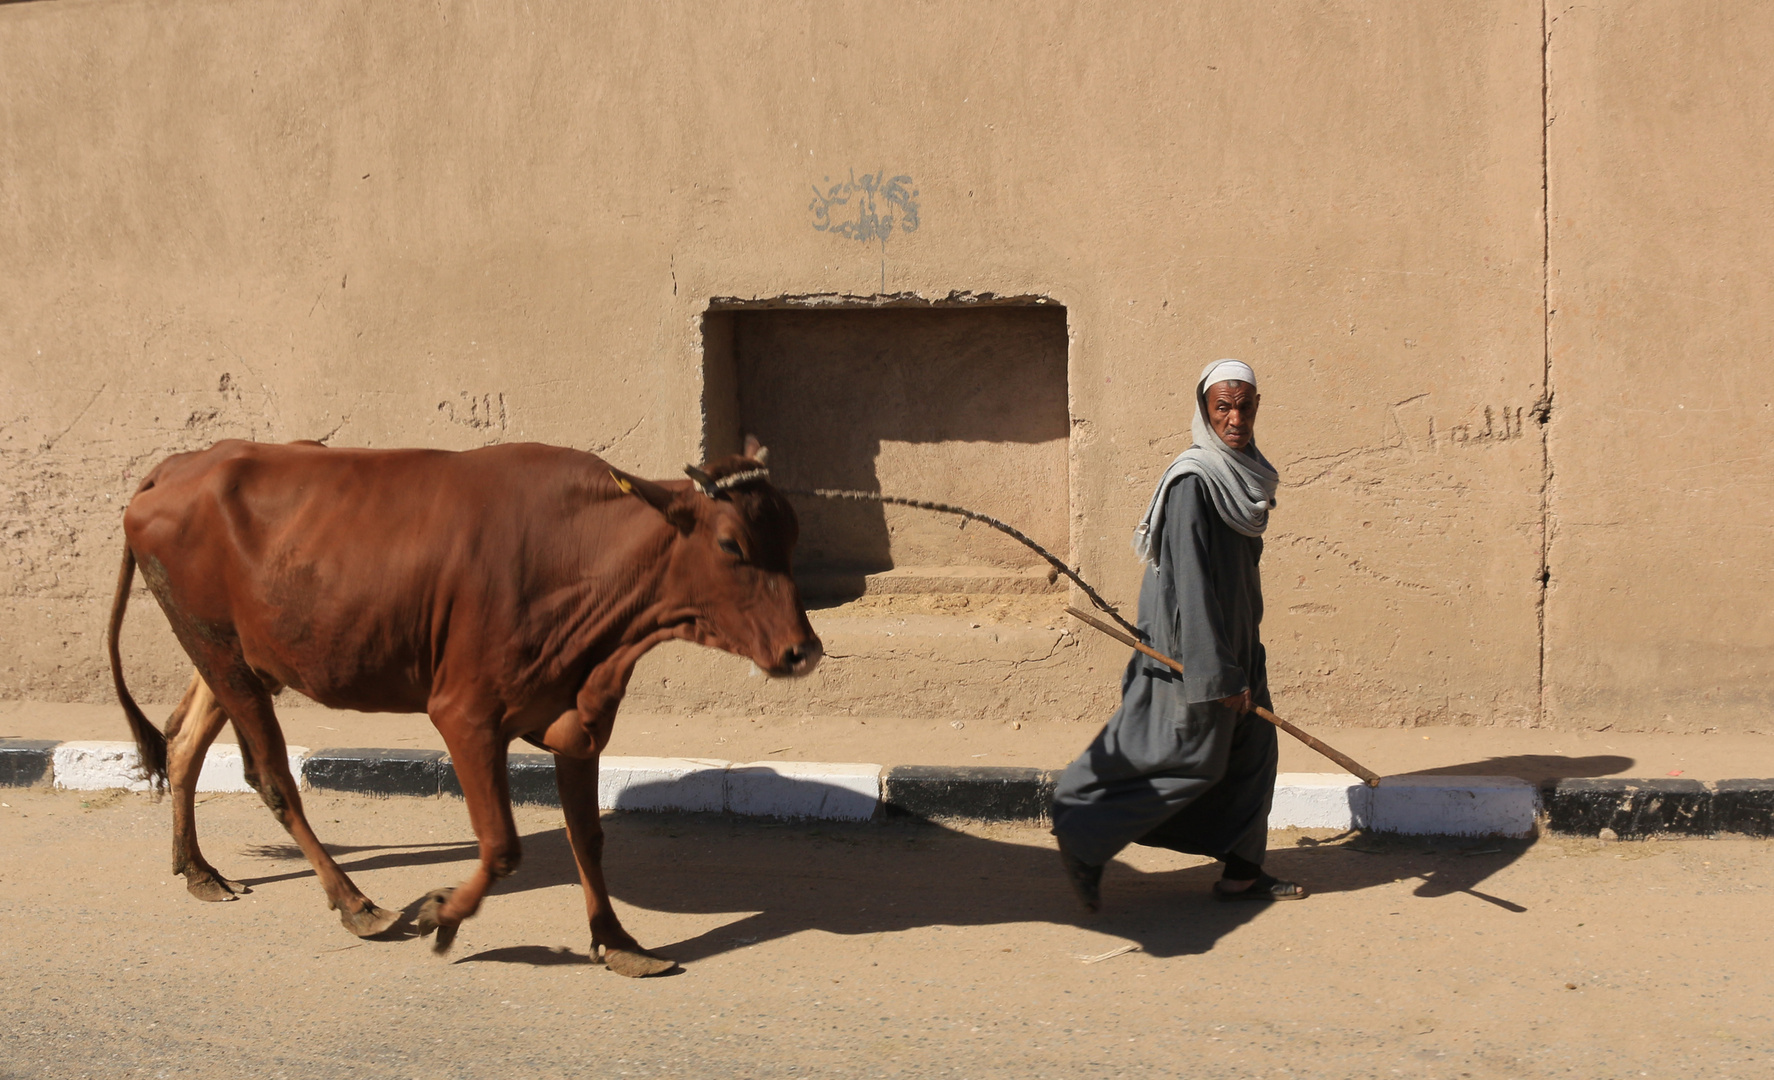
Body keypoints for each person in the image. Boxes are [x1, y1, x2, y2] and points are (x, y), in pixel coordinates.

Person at [1051, 358, 1305, 910]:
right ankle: (1085, 838)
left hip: (1239, 646)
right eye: (1223, 407)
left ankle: (1241, 873)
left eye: (1244, 406)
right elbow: (1191, 585)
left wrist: (1243, 658)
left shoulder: (1247, 474)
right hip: (1193, 652)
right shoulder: (1194, 482)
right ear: (1205, 411)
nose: (1235, 418)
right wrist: (1218, 674)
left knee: (1253, 754)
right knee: (1192, 759)